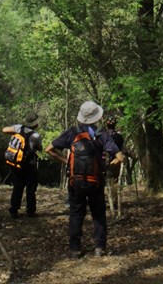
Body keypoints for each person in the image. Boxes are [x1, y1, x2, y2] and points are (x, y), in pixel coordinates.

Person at [45, 100, 123, 259]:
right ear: (97, 117)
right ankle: (100, 248)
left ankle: (75, 249)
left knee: (76, 214)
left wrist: (66, 161)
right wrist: (106, 166)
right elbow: (120, 157)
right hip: (96, 181)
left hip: (75, 182)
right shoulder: (101, 134)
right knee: (98, 214)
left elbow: (49, 149)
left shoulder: (72, 132)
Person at [2, 111, 42, 218]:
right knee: (30, 188)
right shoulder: (35, 135)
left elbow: (4, 130)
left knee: (17, 187)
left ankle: (14, 210)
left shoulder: (18, 128)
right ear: (35, 124)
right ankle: (30, 211)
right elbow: (39, 148)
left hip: (16, 164)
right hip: (29, 165)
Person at [104, 118, 124, 207]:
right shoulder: (119, 137)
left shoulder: (102, 136)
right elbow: (121, 148)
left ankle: (108, 201)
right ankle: (114, 202)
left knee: (103, 180)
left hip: (106, 161)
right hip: (116, 161)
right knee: (114, 182)